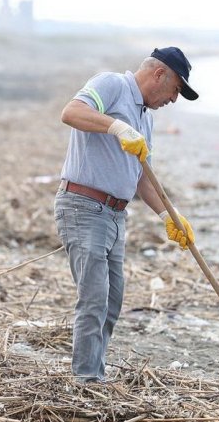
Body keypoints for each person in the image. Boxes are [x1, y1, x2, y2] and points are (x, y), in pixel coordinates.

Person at [54, 46, 199, 383]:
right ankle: (86, 379)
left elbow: (142, 178)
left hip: (116, 216)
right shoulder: (112, 85)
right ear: (159, 74)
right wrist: (116, 128)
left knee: (113, 299)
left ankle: (94, 370)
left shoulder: (145, 119)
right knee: (94, 298)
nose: (174, 100)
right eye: (176, 89)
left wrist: (169, 215)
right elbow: (71, 112)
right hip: (83, 207)